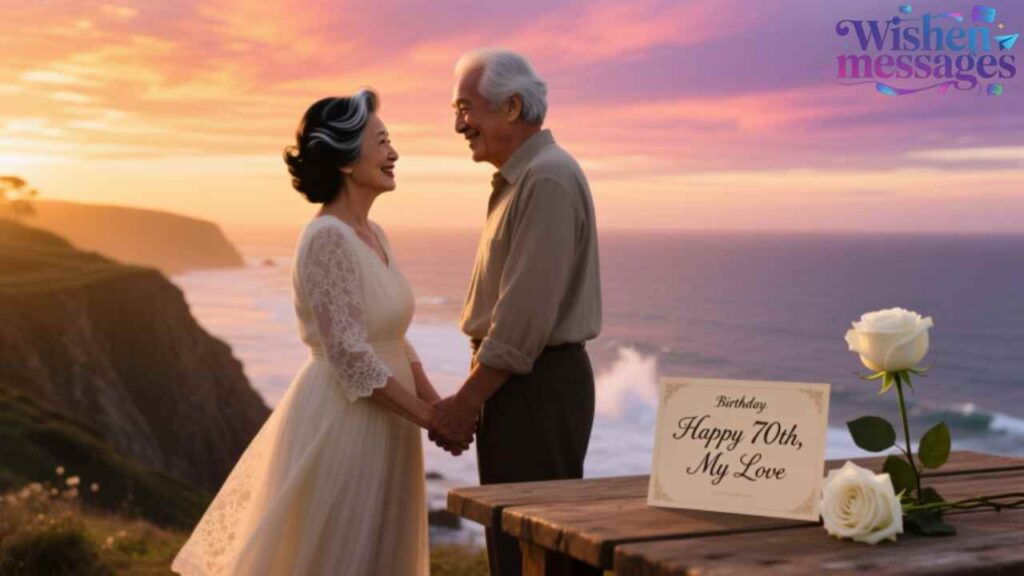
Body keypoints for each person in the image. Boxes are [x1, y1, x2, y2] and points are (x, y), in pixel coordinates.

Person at [171, 89, 460, 575]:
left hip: (391, 419)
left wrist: (436, 406)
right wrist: (430, 419)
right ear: (347, 160)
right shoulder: (327, 237)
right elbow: (349, 355)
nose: (394, 153)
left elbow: (392, 334)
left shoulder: (375, 234)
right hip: (347, 420)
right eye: (383, 141)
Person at [431, 48, 603, 576]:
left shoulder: (545, 179)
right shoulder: (523, 178)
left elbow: (522, 321)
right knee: (514, 549)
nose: (459, 123)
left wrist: (464, 404)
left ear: (510, 108)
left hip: (536, 388)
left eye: (466, 107)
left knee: (539, 555)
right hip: (518, 387)